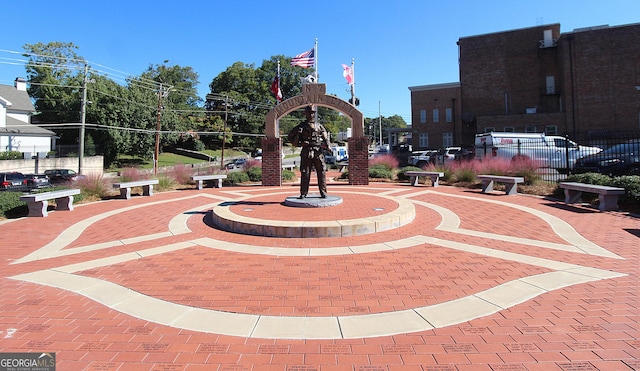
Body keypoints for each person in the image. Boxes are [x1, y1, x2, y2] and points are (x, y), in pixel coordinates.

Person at [288, 105, 331, 198]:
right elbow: (290, 137)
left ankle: (323, 192)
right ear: (305, 114)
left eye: (312, 113)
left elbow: (325, 137)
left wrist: (328, 146)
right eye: (309, 112)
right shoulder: (301, 126)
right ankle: (303, 193)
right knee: (305, 172)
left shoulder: (319, 126)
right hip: (306, 151)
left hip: (318, 151)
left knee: (322, 171)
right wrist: (300, 143)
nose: (311, 114)